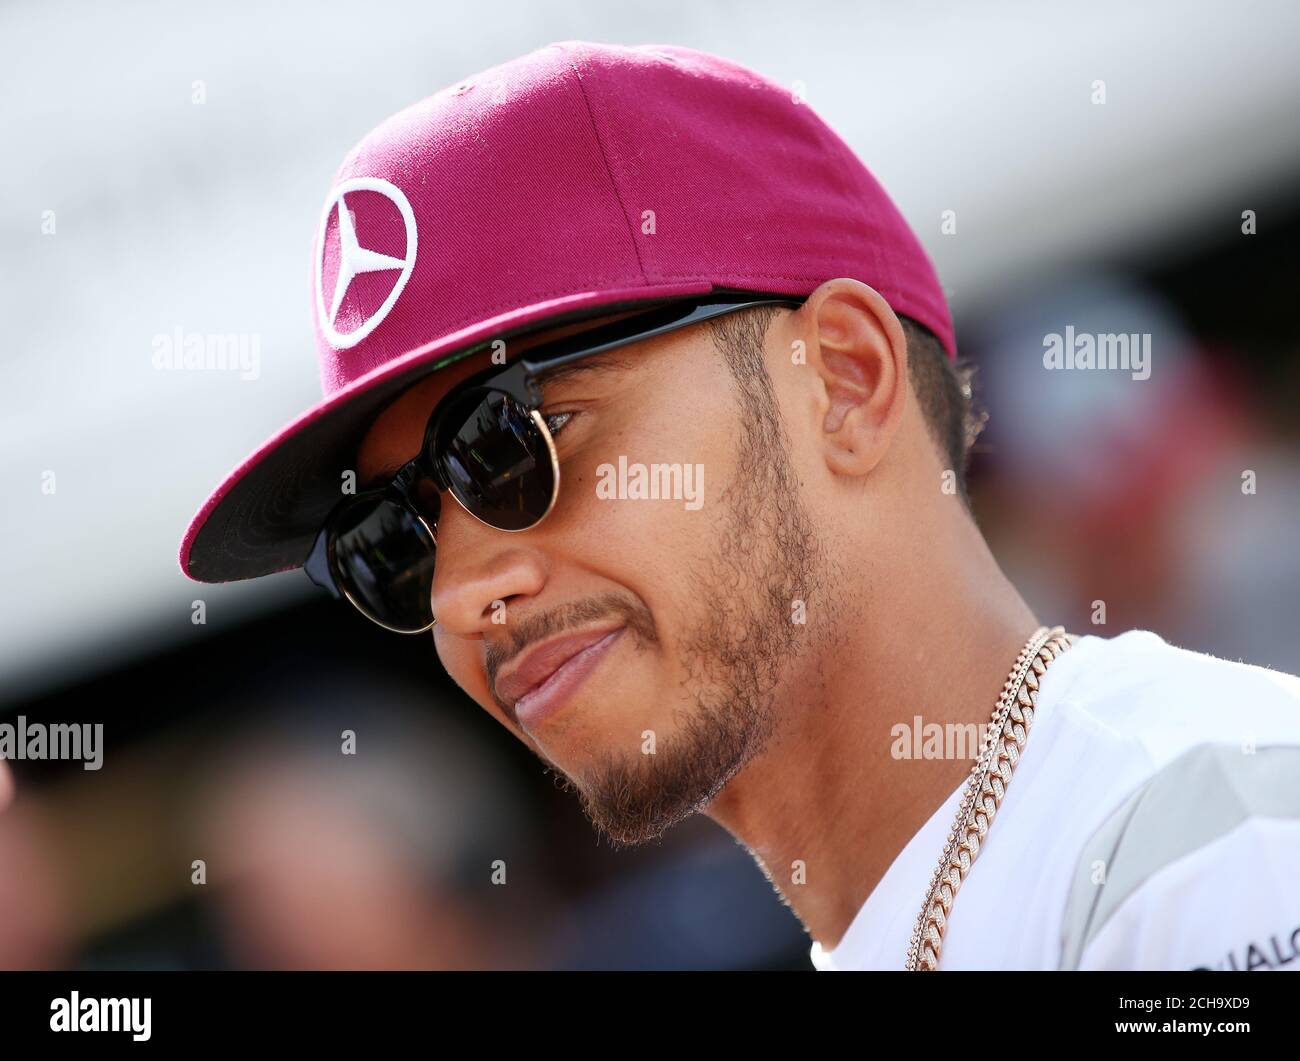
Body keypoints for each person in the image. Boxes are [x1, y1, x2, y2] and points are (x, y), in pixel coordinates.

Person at [179, 41, 1300, 970]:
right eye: (394, 536)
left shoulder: (1217, 844)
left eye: (512, 442)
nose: (468, 589)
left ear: (846, 380)